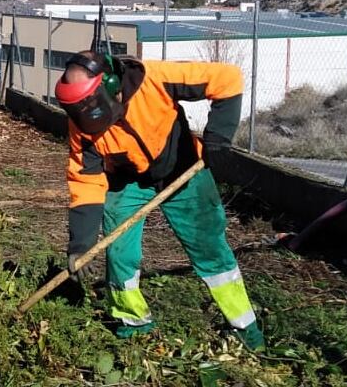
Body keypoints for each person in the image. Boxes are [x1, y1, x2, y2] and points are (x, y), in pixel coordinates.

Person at [54, 50, 265, 351]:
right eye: (78, 110)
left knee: (210, 250)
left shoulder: (156, 78)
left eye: (90, 106)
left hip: (182, 169)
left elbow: (227, 79)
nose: (87, 118)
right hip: (127, 181)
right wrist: (80, 244)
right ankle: (133, 321)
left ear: (111, 86)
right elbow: (85, 181)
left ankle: (245, 328)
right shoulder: (82, 126)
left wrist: (218, 138)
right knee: (120, 253)